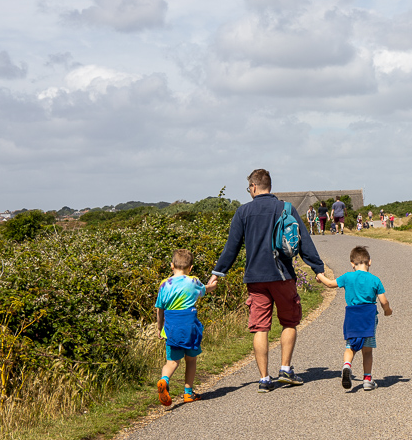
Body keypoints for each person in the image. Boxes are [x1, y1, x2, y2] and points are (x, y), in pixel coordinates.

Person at [207, 169, 326, 392]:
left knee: (260, 328)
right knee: (289, 322)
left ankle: (264, 379)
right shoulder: (286, 208)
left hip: (255, 278)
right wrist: (317, 269)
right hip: (282, 275)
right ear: (268, 185)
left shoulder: (243, 212)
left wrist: (217, 273)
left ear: (253, 186)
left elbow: (230, 249)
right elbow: (304, 241)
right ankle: (285, 369)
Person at [316, 245, 392, 391]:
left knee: (350, 346)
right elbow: (384, 301)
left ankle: (347, 366)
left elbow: (330, 284)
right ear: (369, 262)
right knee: (367, 350)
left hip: (352, 315)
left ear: (352, 263)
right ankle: (367, 380)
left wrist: (319, 275)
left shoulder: (347, 277)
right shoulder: (375, 280)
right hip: (368, 317)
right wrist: (387, 311)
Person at [155, 249, 216, 406]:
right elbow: (204, 290)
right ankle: (188, 393)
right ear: (190, 268)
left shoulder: (164, 285)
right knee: (191, 360)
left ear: (172, 265)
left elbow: (159, 309)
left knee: (172, 362)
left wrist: (159, 328)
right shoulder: (193, 282)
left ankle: (164, 380)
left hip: (171, 327)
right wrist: (212, 286)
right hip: (189, 327)